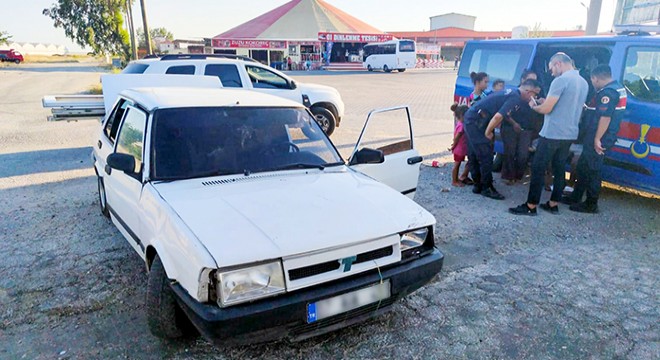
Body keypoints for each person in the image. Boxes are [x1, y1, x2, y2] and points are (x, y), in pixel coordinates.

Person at [509, 52, 589, 216]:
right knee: (559, 169)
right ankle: (553, 204)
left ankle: (531, 206)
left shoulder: (560, 81)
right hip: (570, 133)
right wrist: (545, 103)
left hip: (552, 133)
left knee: (538, 168)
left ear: (558, 64)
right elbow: (570, 106)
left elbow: (547, 109)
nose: (551, 72)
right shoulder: (583, 82)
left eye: (551, 67)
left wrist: (533, 106)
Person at [464, 79, 542, 200]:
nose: (534, 97)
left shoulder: (511, 92)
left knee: (474, 152)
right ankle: (486, 188)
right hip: (477, 121)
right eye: (534, 94)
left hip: (472, 117)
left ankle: (478, 185)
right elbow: (498, 116)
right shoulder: (515, 97)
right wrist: (488, 131)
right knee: (485, 155)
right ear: (528, 91)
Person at [563, 64, 626, 213]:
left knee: (593, 170)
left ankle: (591, 204)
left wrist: (597, 139)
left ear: (595, 78)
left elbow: (605, 117)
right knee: (583, 167)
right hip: (595, 136)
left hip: (599, 137)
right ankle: (576, 196)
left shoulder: (608, 93)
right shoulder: (617, 88)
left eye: (592, 80)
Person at [500, 70, 538, 185]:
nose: (532, 82)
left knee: (523, 154)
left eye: (534, 81)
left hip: (526, 129)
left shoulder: (535, 94)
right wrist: (514, 123)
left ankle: (518, 175)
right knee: (510, 152)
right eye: (530, 80)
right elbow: (504, 112)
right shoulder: (515, 93)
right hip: (510, 127)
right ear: (523, 80)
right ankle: (509, 177)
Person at [449, 104, 472, 187]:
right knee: (457, 165)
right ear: (462, 116)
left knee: (469, 162)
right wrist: (453, 146)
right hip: (459, 148)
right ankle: (454, 181)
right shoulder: (461, 126)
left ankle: (463, 176)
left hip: (463, 147)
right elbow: (457, 137)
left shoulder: (460, 123)